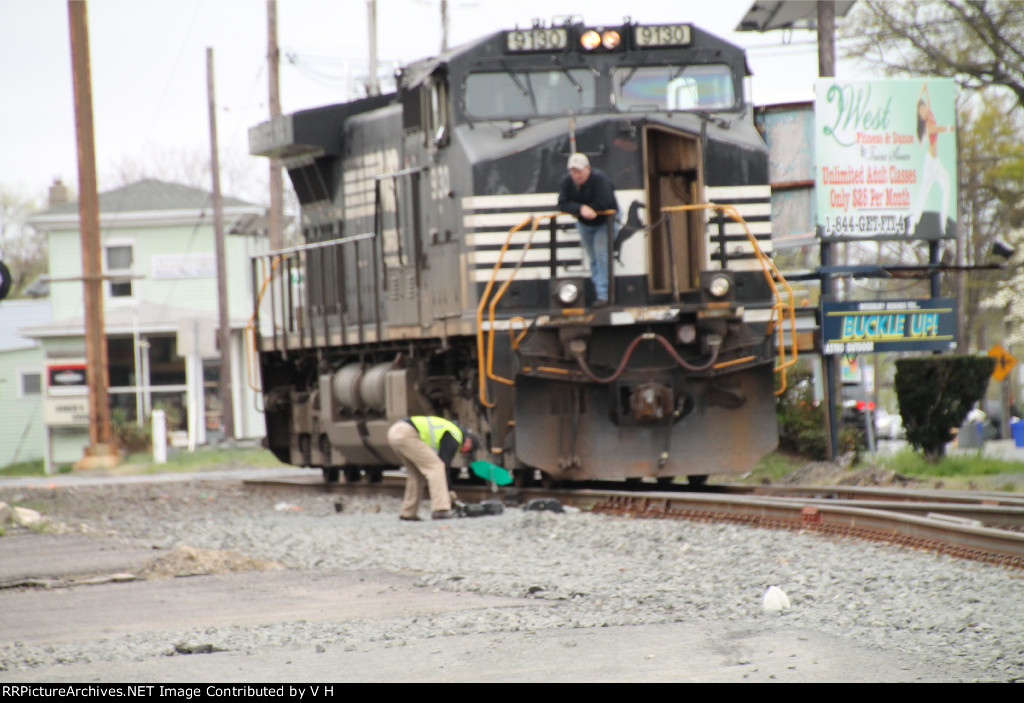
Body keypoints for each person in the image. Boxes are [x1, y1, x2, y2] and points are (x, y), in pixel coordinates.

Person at [557, 153, 619, 306]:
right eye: (573, 171)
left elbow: (607, 201)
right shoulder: (567, 182)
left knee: (602, 256)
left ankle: (604, 296)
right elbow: (562, 203)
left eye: (578, 171)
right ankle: (598, 292)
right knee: (592, 258)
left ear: (588, 169)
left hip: (605, 221)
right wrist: (581, 208)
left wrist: (591, 209)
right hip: (585, 224)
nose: (575, 175)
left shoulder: (600, 179)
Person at [387, 415, 476, 521]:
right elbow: (444, 466)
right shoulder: (455, 435)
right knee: (436, 466)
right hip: (406, 433)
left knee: (416, 474)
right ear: (469, 441)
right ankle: (441, 510)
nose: (466, 453)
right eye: (470, 450)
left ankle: (408, 513)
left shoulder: (450, 430)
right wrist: (450, 494)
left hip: (395, 432)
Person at [908, 82, 952, 238]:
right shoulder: (927, 124)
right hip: (930, 163)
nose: (922, 112)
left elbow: (924, 102)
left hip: (937, 161)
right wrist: (948, 128)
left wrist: (923, 90)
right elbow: (935, 129)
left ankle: (943, 223)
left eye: (923, 109)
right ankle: (913, 223)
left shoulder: (930, 113)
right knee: (924, 192)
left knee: (947, 185)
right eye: (920, 112)